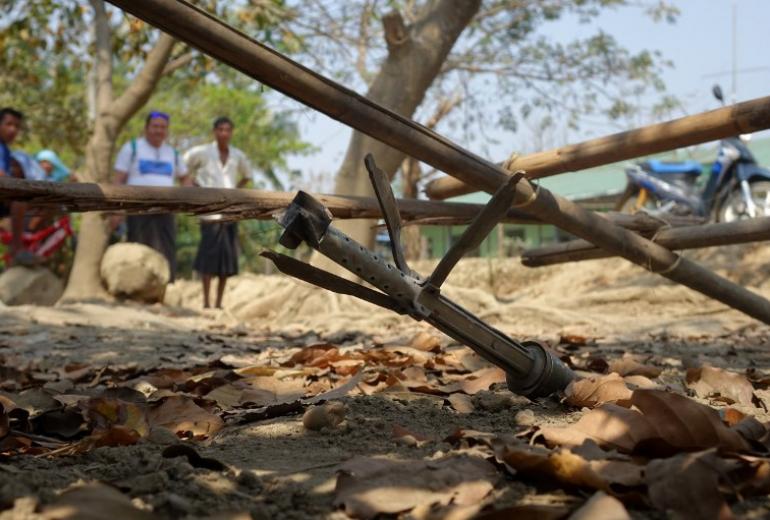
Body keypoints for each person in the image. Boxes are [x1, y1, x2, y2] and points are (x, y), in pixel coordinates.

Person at [183, 116, 252, 309]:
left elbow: (247, 175)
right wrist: (194, 185)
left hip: (230, 213)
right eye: (220, 129)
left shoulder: (237, 155)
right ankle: (206, 302)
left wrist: (236, 192)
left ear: (231, 133)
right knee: (208, 257)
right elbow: (182, 166)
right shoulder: (202, 152)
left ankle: (219, 303)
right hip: (209, 213)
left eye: (227, 130)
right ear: (215, 132)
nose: (224, 133)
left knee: (226, 261)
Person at [114, 111, 189, 282]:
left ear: (167, 131)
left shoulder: (173, 154)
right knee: (139, 247)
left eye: (163, 127)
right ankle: (137, 287)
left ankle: (166, 287)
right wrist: (116, 210)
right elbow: (118, 179)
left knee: (166, 249)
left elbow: (185, 178)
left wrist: (186, 201)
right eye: (155, 126)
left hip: (166, 210)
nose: (158, 131)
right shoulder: (131, 148)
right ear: (147, 128)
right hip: (138, 209)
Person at [0, 108, 29, 264]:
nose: (13, 129)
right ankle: (17, 249)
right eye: (8, 124)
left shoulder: (5, 150)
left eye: (17, 126)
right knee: (20, 199)